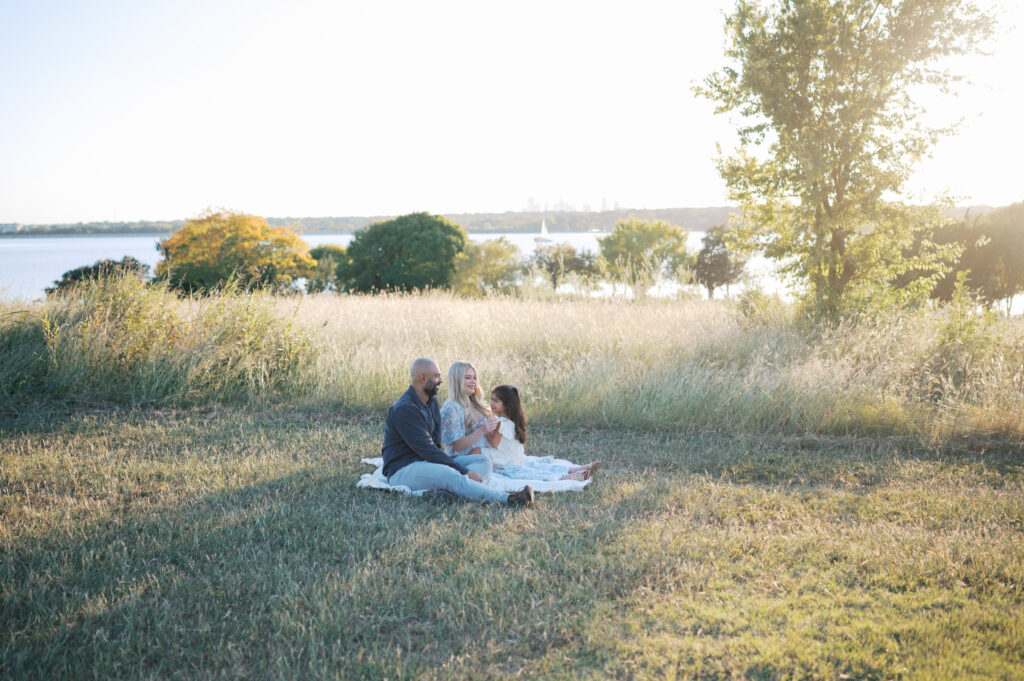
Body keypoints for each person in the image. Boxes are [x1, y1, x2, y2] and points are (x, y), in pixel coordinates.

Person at [382, 358, 533, 506]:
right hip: (403, 469)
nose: (441, 380)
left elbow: (435, 445)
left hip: (427, 462)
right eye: (437, 376)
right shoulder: (405, 409)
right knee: (451, 474)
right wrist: (464, 471)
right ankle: (509, 499)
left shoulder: (431, 402)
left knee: (483, 461)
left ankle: (444, 490)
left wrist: (456, 468)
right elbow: (428, 450)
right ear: (423, 378)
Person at [480, 384, 601, 482]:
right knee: (538, 468)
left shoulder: (500, 422)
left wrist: (484, 430)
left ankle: (573, 476)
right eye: (491, 399)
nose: (491, 403)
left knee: (533, 473)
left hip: (507, 460)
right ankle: (578, 469)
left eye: (496, 401)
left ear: (506, 405)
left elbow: (494, 443)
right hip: (517, 457)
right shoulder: (513, 420)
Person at [439, 361, 496, 459]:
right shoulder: (451, 407)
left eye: (474, 378)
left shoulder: (479, 405)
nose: (473, 382)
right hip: (465, 462)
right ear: (457, 380)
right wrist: (481, 430)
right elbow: (457, 446)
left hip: (489, 458)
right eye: (468, 378)